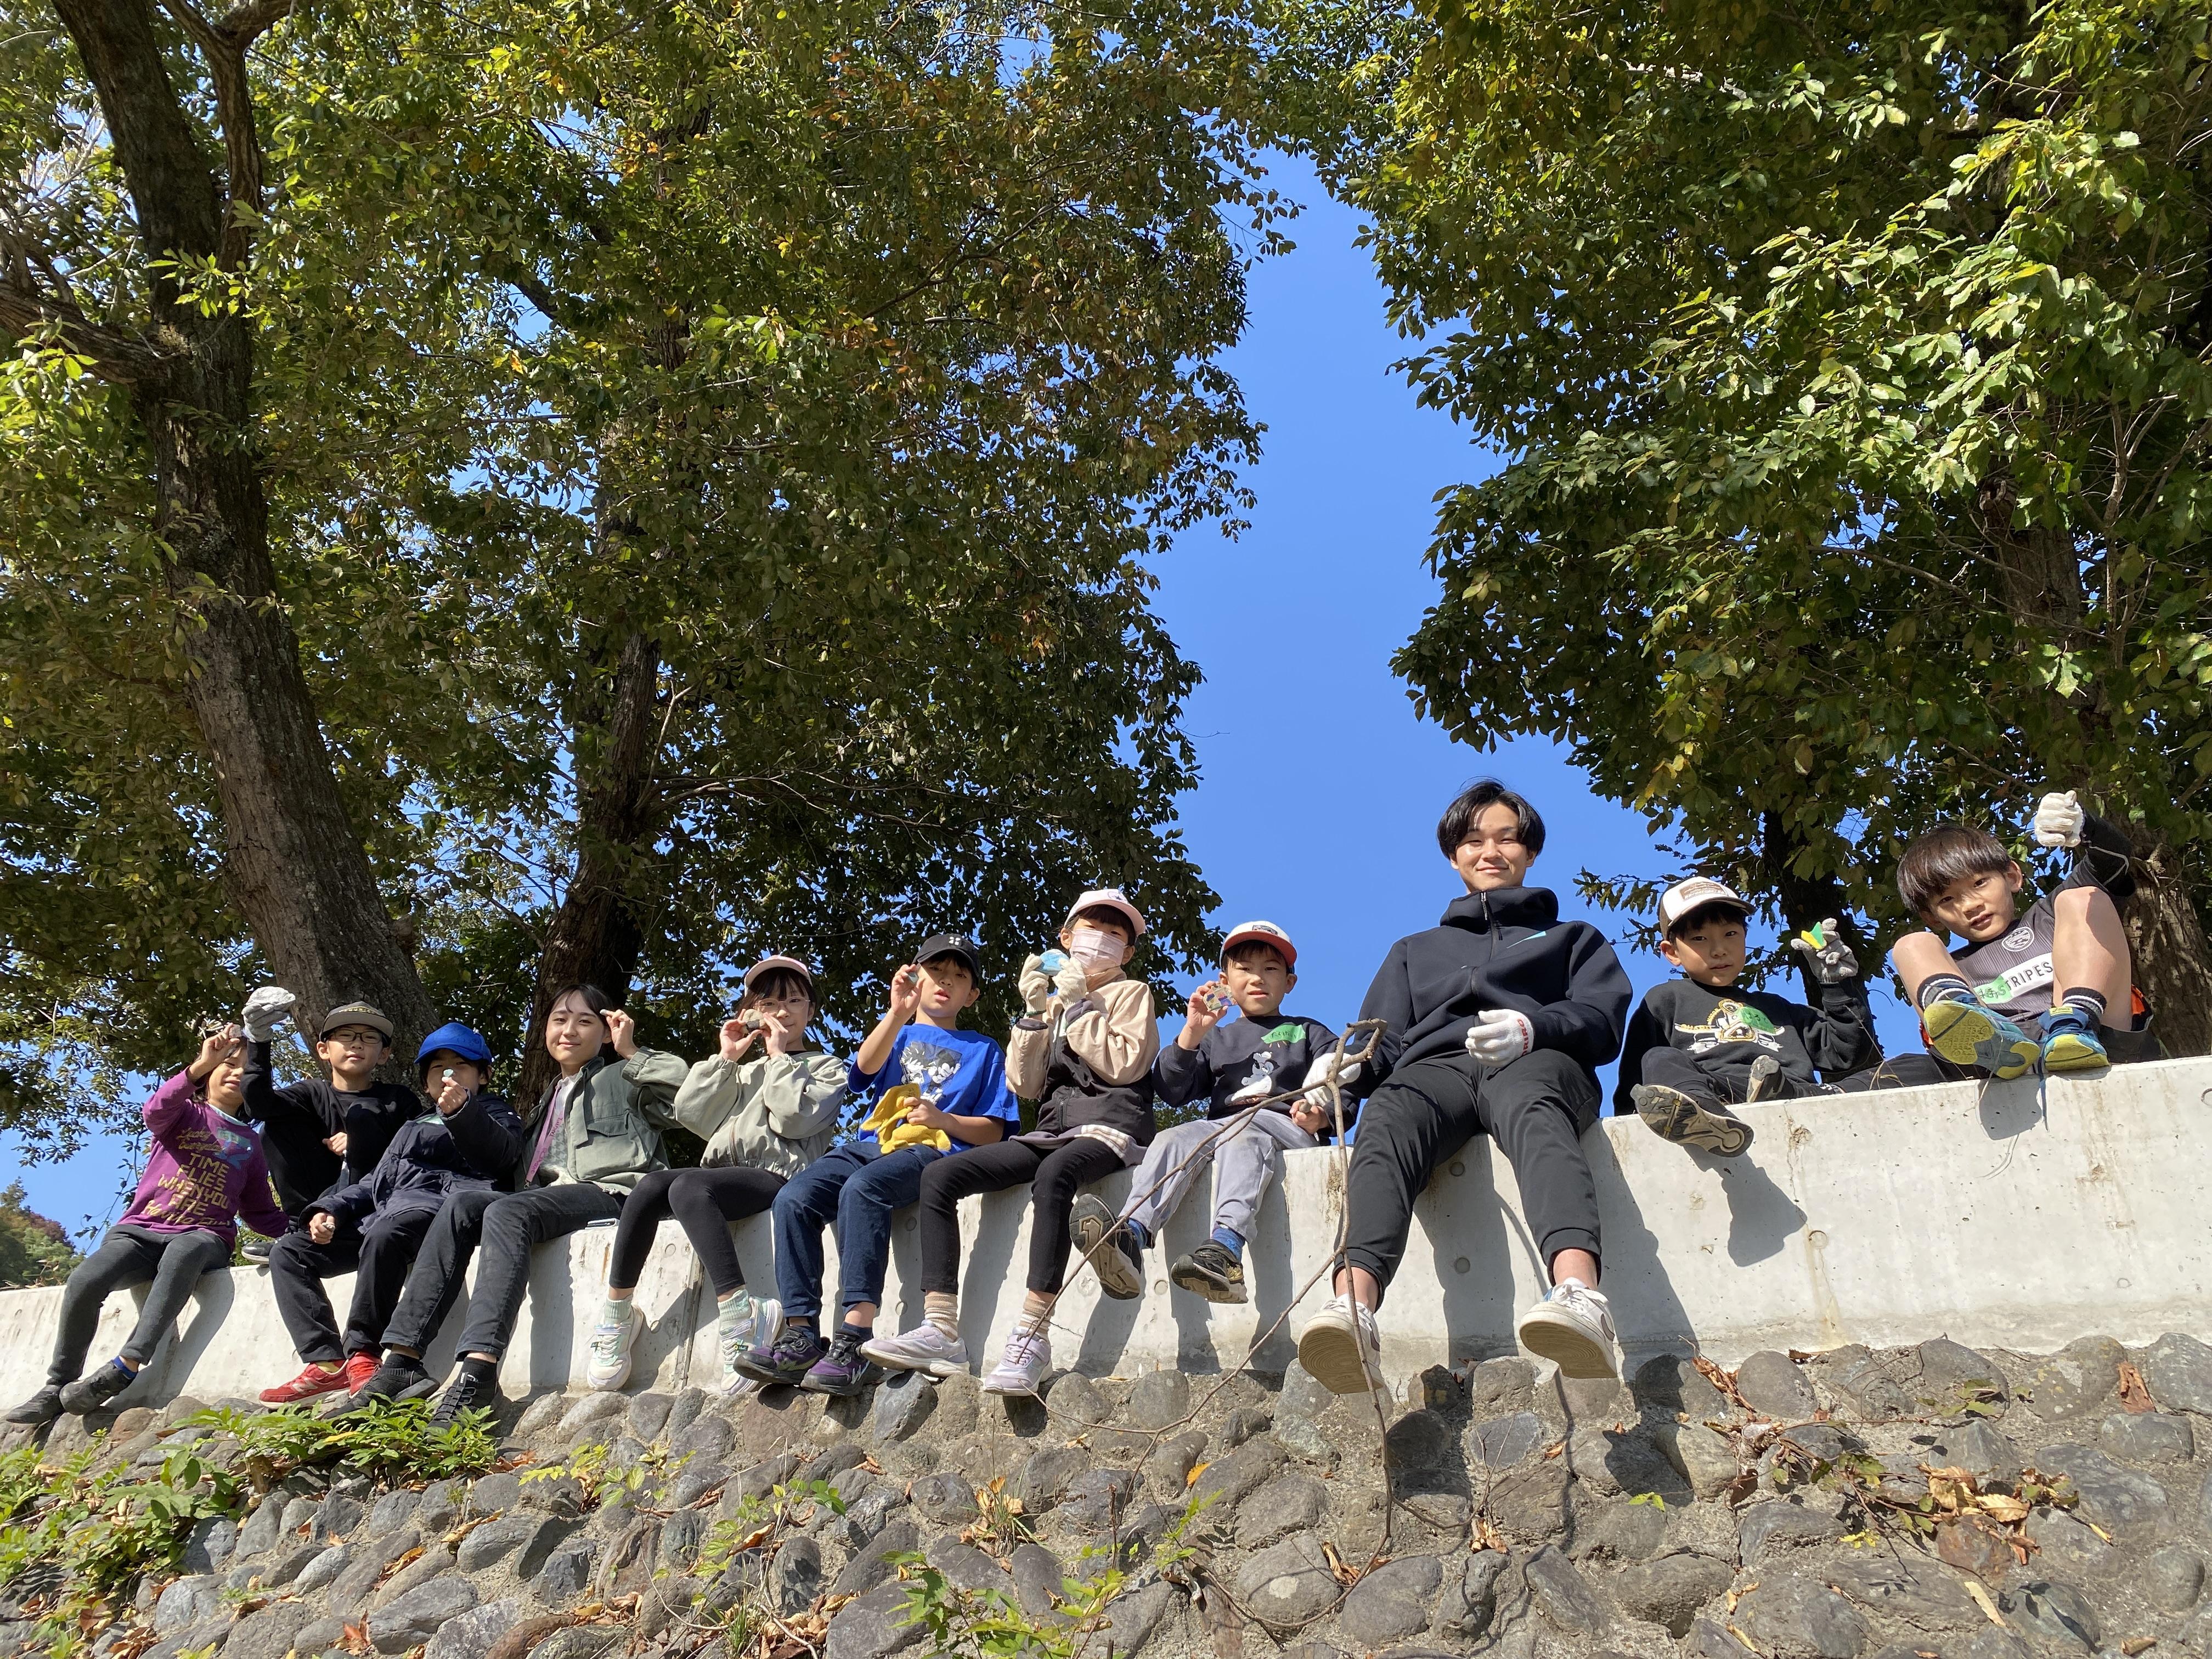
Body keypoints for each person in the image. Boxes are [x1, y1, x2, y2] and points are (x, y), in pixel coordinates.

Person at [1295, 780, 1633, 1395]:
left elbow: (1603, 1019)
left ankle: (1581, 1294)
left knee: (1531, 1102)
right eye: (1474, 841)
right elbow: (1381, 1043)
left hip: (1537, 1059)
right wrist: (1340, 1075)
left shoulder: (1573, 938)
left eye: (1507, 839)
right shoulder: (1413, 951)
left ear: (1530, 852)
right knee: (1390, 1112)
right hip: (1437, 1069)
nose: (1491, 852)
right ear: (1454, 856)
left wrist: (1535, 1027)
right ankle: (1354, 1309)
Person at [864, 888, 1159, 1394]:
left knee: (1056, 1175)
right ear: (1066, 938)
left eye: (1115, 935)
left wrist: (1079, 1007)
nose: (1102, 940)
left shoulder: (1131, 995)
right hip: (1050, 1130)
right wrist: (1035, 1014)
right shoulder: (1055, 1000)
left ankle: (1032, 1335)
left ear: (1128, 953)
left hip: (1109, 1128)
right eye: (1092, 929)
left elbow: (1125, 1065)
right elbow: (1025, 1084)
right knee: (940, 1175)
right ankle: (940, 1328)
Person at [346, 986, 686, 1421]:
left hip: (612, 1193)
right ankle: (402, 1362)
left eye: (584, 1021)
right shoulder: (546, 1102)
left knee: (507, 1210)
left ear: (605, 1033)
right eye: (559, 1020)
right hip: (546, 1201)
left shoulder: (624, 1077)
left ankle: (478, 1373)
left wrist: (632, 1051)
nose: (569, 1030)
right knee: (464, 1205)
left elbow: (685, 1095)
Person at [732, 934, 1018, 1395]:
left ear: (973, 995)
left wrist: (944, 1119)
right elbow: (862, 1072)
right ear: (916, 978)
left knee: (863, 1189)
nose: (946, 981)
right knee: (794, 1198)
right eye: (936, 972)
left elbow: (995, 1129)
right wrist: (897, 1012)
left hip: (931, 1150)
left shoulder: (984, 1049)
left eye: (959, 976)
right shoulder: (897, 1032)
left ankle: (854, 1336)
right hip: (871, 1144)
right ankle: (801, 1335)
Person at [585, 956, 845, 1395]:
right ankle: (617, 1315)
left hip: (779, 1175)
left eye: (793, 1002)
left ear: (811, 1011)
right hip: (721, 1174)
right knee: (651, 1187)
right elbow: (693, 1115)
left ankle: (741, 1315)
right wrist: (725, 1058)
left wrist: (779, 1057)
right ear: (751, 1012)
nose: (781, 1012)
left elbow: (794, 1119)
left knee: (688, 1186)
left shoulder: (825, 1067)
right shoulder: (742, 1072)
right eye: (768, 1003)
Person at [5, 1026, 290, 1425]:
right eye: (229, 1063)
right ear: (210, 1071)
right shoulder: (184, 1114)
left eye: (247, 1069)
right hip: (143, 1230)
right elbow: (156, 1109)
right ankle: (58, 1384)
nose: (236, 1073)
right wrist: (200, 1065)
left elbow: (259, 1211)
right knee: (86, 1280)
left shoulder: (250, 1144)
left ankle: (128, 1362)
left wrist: (302, 1229)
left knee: (187, 1248)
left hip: (205, 1237)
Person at [1066, 919, 1341, 1305]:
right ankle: (1132, 1234)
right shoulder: (1218, 1038)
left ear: (1289, 982)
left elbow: (1340, 1077)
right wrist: (1192, 1033)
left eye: (1270, 969)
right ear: (1225, 981)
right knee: (1173, 1137)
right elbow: (1171, 1089)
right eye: (1244, 969)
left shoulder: (1309, 1031)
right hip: (1224, 1127)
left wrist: (1321, 1115)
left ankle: (1225, 1250)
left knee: (1243, 1133)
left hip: (1284, 1126)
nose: (1257, 978)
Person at [257, 1023, 519, 1403]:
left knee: (387, 1234)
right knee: (291, 1252)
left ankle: (364, 1354)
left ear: (484, 1075)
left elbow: (503, 1158)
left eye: (460, 1065)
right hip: (386, 1213)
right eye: (437, 1068)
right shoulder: (413, 1124)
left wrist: (464, 1113)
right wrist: (331, 1208)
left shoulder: (494, 1111)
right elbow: (377, 1180)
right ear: (425, 1083)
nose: (447, 1074)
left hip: (437, 1212)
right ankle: (326, 1363)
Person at [1889, 789, 2155, 1078]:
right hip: (2004, 1065)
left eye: (1979, 883)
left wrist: (2083, 824)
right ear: (1932, 917)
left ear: (2013, 877)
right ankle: (1982, 1032)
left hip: (2099, 1035)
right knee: (1911, 945)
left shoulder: (2052, 915)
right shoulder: (1954, 969)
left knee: (2083, 897)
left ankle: (2072, 1027)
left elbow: (2115, 861)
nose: (1970, 905)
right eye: (1947, 900)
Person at [1617, 879, 1878, 1155]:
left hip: (1797, 1091)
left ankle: (1772, 1092)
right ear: (1672, 952)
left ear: (1744, 936)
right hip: (1721, 1093)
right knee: (1658, 1058)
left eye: (1730, 934)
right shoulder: (1665, 1000)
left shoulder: (1778, 1007)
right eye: (1699, 939)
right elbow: (1637, 1084)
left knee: (1908, 1066)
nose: (1719, 949)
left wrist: (1837, 985)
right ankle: (1708, 1119)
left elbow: (1847, 1051)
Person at [238, 990, 420, 1242]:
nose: (357, 1044)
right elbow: (259, 1106)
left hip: (376, 1207)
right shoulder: (311, 1094)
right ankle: (300, 1226)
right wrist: (258, 1041)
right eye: (345, 1036)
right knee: (273, 1127)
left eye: (369, 1037)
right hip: (316, 1205)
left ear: (384, 1054)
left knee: (367, 1117)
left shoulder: (398, 1099)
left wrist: (362, 1143)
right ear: (323, 1049)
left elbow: (417, 1154)